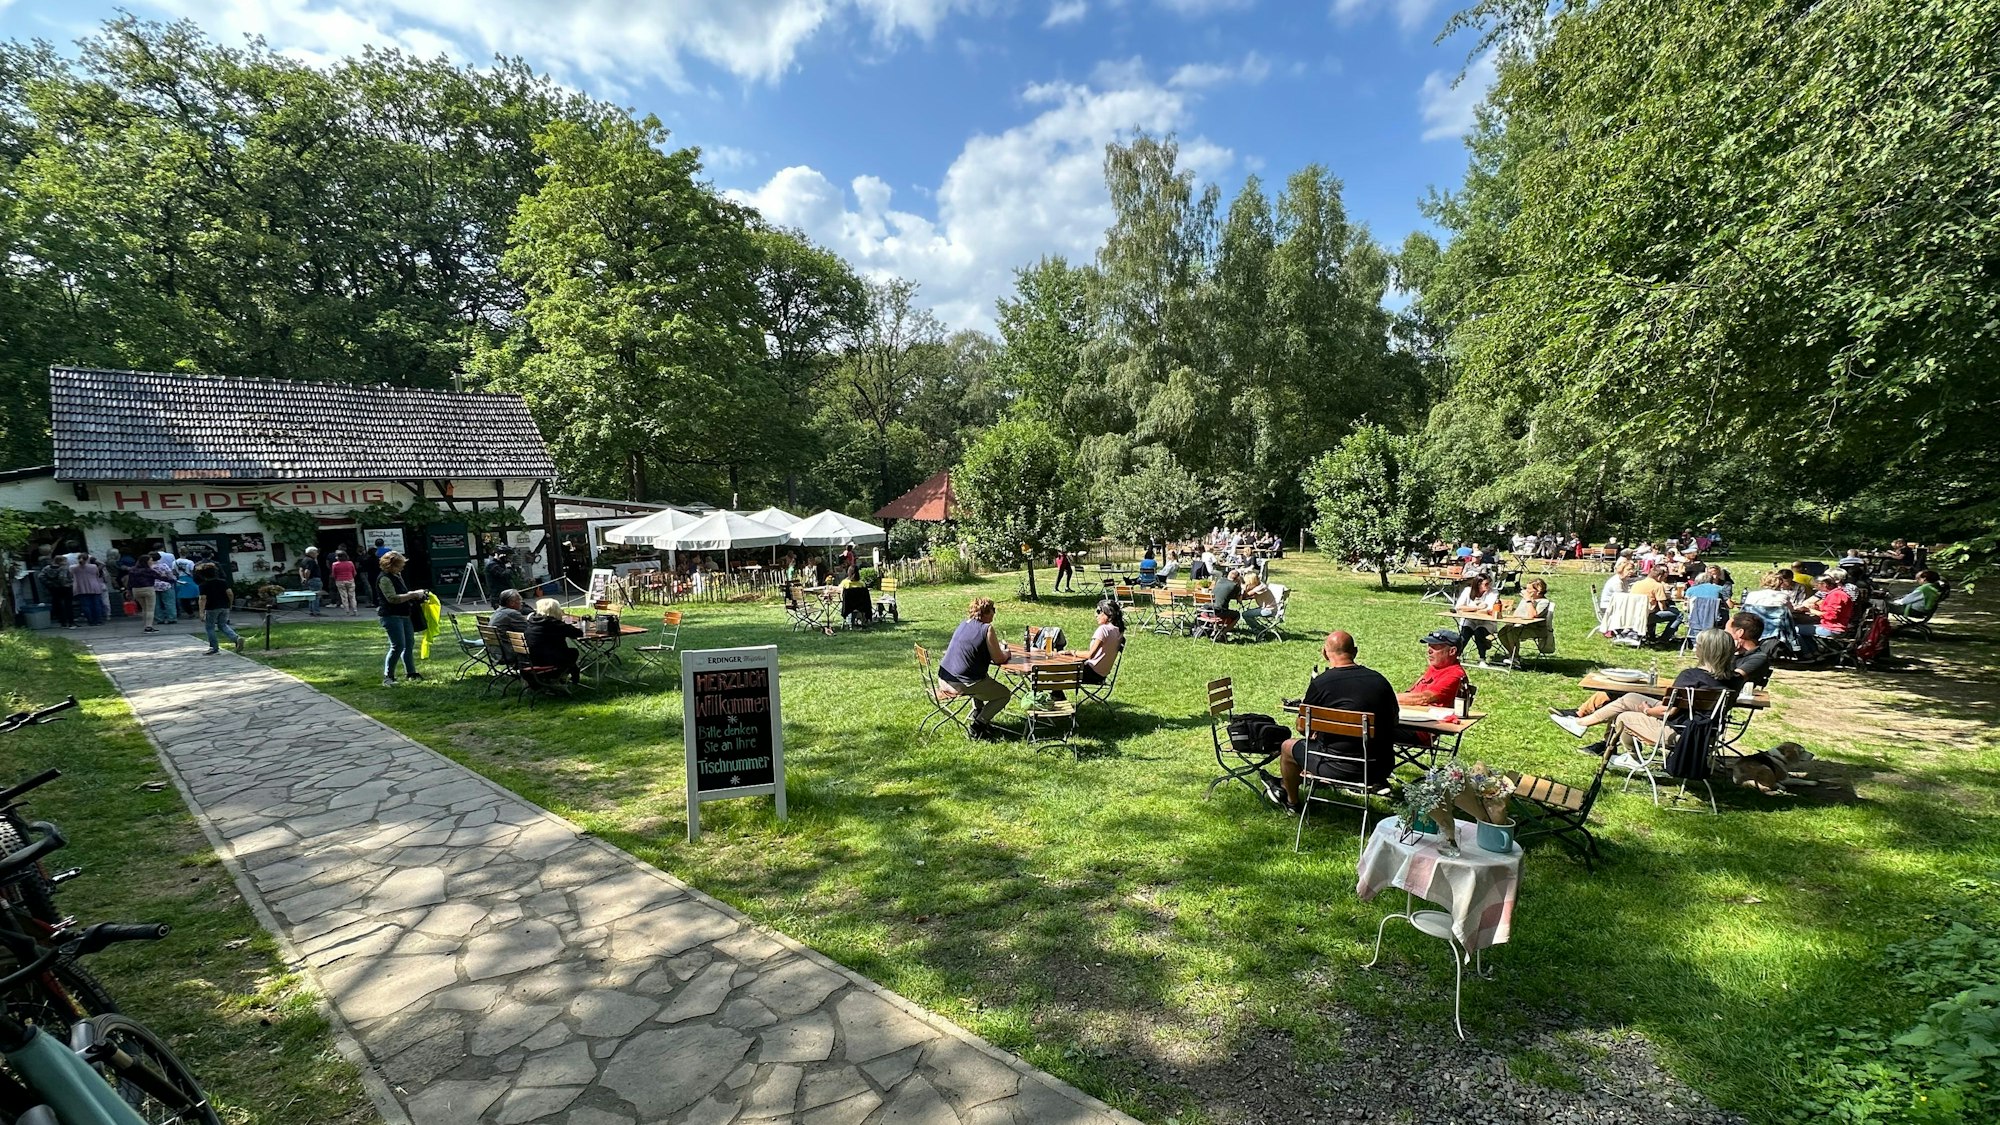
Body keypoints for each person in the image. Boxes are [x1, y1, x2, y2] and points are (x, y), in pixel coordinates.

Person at [1270, 631, 1399, 811]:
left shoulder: (1321, 683)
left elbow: (1301, 727)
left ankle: (1292, 801)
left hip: (1334, 766)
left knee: (1287, 747)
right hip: (1380, 767)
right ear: (1355, 651)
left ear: (1324, 653)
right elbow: (1394, 721)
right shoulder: (1380, 681)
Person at [1552, 628, 1737, 753]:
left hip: (1680, 731)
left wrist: (1646, 710)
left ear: (1705, 651)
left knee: (1622, 716)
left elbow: (1668, 711)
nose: (1695, 648)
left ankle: (1632, 757)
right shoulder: (1734, 680)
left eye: (1698, 645)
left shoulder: (1691, 676)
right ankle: (1581, 723)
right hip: (1707, 733)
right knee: (1630, 697)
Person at [939, 597, 1015, 740]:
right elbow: (999, 658)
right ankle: (978, 725)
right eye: (993, 610)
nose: (994, 613)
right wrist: (1007, 652)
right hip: (960, 684)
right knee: (1004, 694)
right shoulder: (987, 629)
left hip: (944, 678)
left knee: (983, 678)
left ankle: (978, 712)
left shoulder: (964, 624)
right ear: (986, 612)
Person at [374, 551, 430, 686]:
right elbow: (392, 598)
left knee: (409, 644)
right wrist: (412, 594)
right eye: (399, 565)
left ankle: (411, 673)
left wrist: (418, 596)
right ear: (389, 565)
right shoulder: (384, 578)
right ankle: (388, 677)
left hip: (405, 615)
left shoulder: (397, 575)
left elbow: (403, 594)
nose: (402, 568)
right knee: (397, 646)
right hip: (391, 616)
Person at [1399, 630, 1469, 707]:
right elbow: (1411, 692)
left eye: (1435, 647)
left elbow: (1423, 698)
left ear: (1452, 651)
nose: (1429, 650)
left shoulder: (1455, 675)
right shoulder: (1436, 667)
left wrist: (1388, 698)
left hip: (1430, 717)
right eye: (1429, 646)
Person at [1494, 579, 1554, 666]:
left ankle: (1515, 658)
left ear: (1538, 591)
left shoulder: (1544, 602)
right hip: (1521, 625)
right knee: (1502, 632)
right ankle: (1513, 655)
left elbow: (1532, 616)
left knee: (1513, 632)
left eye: (1529, 590)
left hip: (1536, 629)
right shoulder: (1525, 600)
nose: (1526, 591)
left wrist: (1529, 601)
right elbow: (1516, 614)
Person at [523, 597, 583, 684]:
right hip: (549, 661)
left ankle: (563, 676)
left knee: (566, 653)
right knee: (573, 652)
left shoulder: (531, 622)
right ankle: (562, 676)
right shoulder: (555, 625)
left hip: (531, 660)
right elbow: (577, 633)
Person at [195, 562, 244, 654]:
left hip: (211, 608)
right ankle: (236, 638)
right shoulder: (223, 582)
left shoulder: (203, 585)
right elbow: (230, 593)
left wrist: (201, 612)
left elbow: (203, 599)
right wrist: (230, 604)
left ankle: (214, 647)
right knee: (223, 625)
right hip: (224, 606)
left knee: (210, 627)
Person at [1452, 574, 1501, 662]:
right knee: (1465, 632)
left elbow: (1488, 609)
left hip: (1487, 622)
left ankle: (1482, 658)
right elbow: (1458, 607)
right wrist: (1477, 608)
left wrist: (1468, 608)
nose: (1489, 586)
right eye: (1486, 584)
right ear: (1478, 584)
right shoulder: (1468, 591)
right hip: (1470, 620)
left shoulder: (1493, 592)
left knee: (1479, 632)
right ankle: (1456, 656)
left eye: (1489, 583)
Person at [1632, 561, 1678, 644]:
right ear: (1659, 576)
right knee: (1679, 615)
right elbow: (1662, 608)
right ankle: (1663, 639)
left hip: (1634, 615)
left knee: (1653, 608)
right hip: (1647, 616)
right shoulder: (1657, 586)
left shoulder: (1637, 584)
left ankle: (1651, 635)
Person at [1080, 599, 1124, 685]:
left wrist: (1071, 652)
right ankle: (1057, 695)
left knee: (1057, 669)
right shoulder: (1119, 631)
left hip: (1091, 673)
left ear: (1107, 613)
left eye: (1098, 611)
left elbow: (1090, 655)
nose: (1096, 615)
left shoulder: (1104, 630)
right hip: (1102, 675)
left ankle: (1058, 695)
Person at [1199, 568, 1243, 639]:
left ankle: (1215, 629)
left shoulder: (1220, 581)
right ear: (1237, 578)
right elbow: (1238, 598)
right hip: (1218, 612)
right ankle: (1222, 633)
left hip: (1207, 610)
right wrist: (1240, 584)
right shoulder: (1234, 585)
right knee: (1237, 615)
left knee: (1219, 607)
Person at [68, 552, 107, 627]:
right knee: (97, 604)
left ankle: (90, 621)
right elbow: (98, 574)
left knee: (85, 605)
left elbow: (71, 576)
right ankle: (98, 620)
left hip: (81, 588)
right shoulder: (93, 567)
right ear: (87, 559)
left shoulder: (72, 568)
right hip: (94, 586)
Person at [38, 553, 75, 629]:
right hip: (65, 588)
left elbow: (40, 576)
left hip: (54, 588)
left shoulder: (47, 568)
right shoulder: (63, 568)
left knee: (59, 605)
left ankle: (63, 622)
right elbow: (62, 578)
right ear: (61, 561)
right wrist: (66, 584)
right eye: (65, 561)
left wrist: (49, 583)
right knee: (68, 604)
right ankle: (71, 622)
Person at [297, 547, 325, 617]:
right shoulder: (311, 561)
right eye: (316, 552)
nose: (317, 554)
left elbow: (301, 569)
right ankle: (316, 612)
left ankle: (311, 611)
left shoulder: (304, 560)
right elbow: (307, 571)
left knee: (311, 596)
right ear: (311, 553)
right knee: (316, 596)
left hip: (310, 580)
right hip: (314, 579)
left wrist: (302, 578)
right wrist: (307, 578)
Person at [330, 551, 358, 615]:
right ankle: (355, 610)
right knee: (352, 596)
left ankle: (347, 610)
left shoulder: (335, 564)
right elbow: (354, 572)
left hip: (340, 581)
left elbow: (334, 574)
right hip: (350, 579)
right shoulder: (350, 563)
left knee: (344, 596)